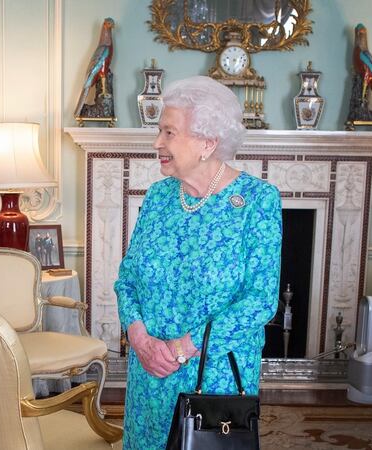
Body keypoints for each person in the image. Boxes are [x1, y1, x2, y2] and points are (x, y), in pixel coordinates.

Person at [114, 76, 282, 449]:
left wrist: (179, 349)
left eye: (169, 132)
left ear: (208, 142)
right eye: (159, 131)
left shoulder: (257, 202)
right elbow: (127, 279)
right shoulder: (159, 197)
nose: (157, 142)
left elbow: (260, 300)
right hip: (149, 371)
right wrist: (139, 338)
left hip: (215, 375)